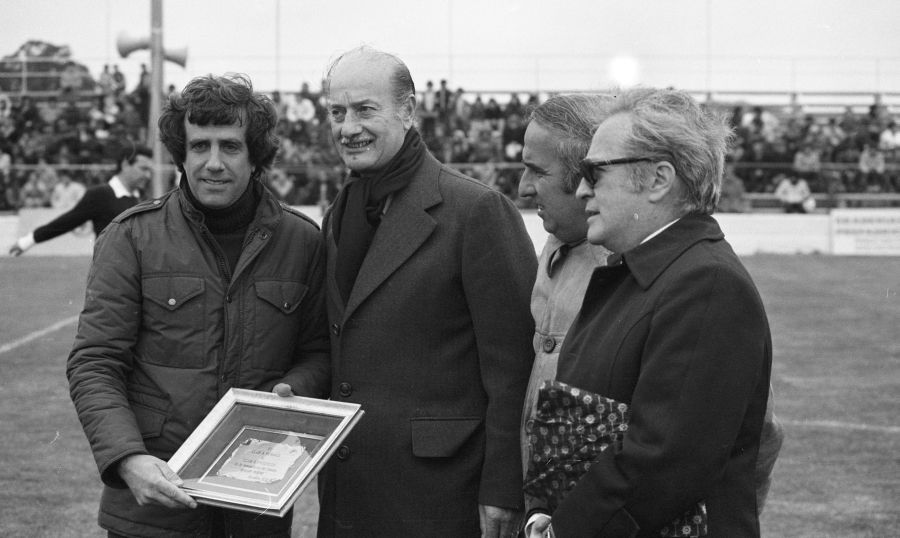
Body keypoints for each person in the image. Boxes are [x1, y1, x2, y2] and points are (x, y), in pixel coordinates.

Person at [66, 74, 330, 538]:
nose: (212, 163)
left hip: (255, 508)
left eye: (230, 146)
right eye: (199, 146)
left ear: (255, 156)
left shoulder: (302, 241)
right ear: (180, 154)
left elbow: (318, 352)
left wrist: (292, 388)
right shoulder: (132, 237)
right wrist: (127, 459)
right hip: (152, 512)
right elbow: (95, 361)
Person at [527, 87, 773, 537]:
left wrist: (565, 529)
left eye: (594, 171)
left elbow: (664, 461)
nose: (581, 189)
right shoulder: (635, 275)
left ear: (659, 179)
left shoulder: (706, 285)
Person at [318, 46, 537, 537]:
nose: (347, 126)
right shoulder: (342, 211)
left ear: (409, 111)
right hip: (348, 487)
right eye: (337, 112)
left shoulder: (476, 210)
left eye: (365, 110)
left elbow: (513, 368)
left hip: (440, 492)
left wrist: (503, 487)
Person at [8, 144, 152, 256]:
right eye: (143, 168)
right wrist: (27, 241)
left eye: (149, 170)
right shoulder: (100, 195)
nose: (147, 175)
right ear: (125, 165)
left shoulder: (140, 198)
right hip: (110, 278)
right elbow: (66, 222)